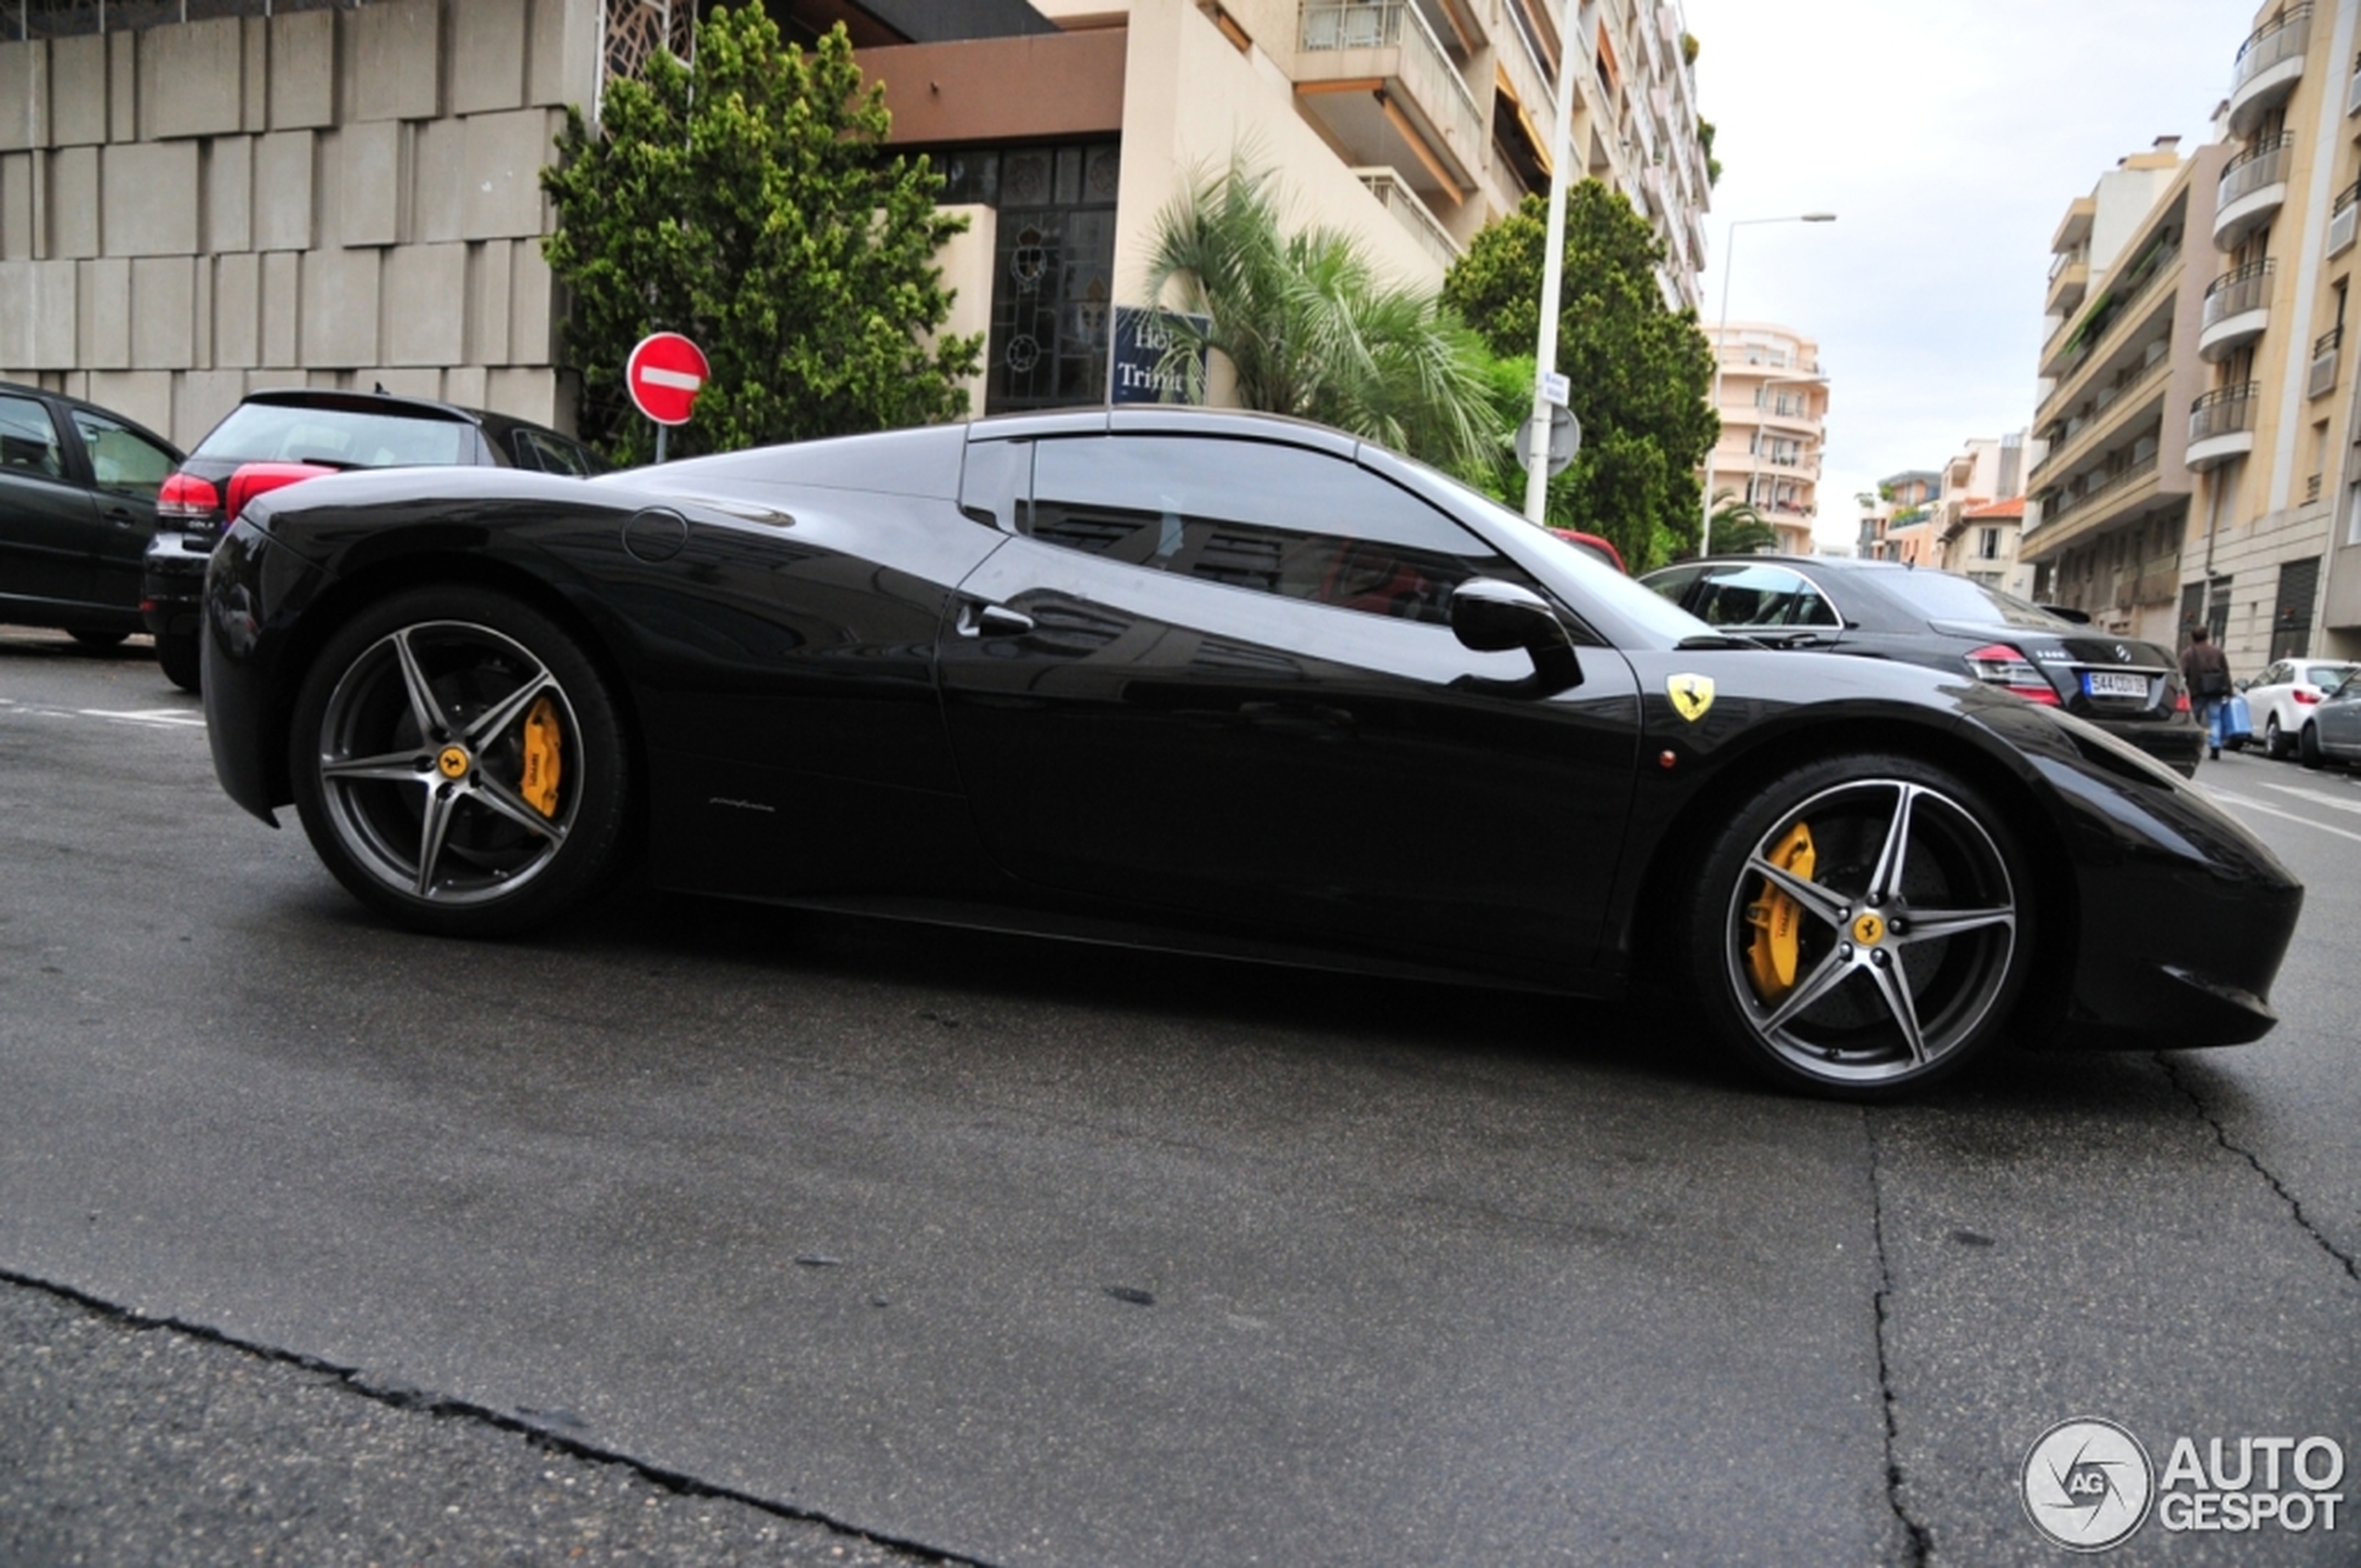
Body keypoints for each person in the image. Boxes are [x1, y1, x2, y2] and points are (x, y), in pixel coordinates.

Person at [2181, 625, 2233, 760]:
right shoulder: (2218, 652)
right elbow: (2226, 672)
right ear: (2207, 636)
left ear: (2193, 638)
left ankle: (2194, 744)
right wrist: (2229, 690)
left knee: (2194, 718)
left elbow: (2182, 672)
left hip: (2197, 690)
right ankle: (2215, 745)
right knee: (2215, 718)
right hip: (2215, 690)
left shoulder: (2189, 653)